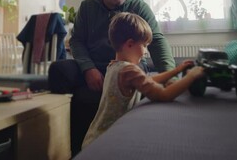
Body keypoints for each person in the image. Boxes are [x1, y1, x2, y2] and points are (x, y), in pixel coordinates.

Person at [47, 0, 177, 155]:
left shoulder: (139, 7)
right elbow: (77, 41)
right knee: (58, 70)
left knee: (134, 73)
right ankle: (66, 145)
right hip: (94, 66)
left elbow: (157, 40)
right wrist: (88, 68)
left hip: (127, 65)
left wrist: (170, 74)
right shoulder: (87, 7)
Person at [82, 12, 205, 148]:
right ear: (130, 44)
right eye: (144, 45)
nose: (146, 51)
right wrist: (191, 76)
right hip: (106, 142)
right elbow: (164, 95)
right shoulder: (129, 71)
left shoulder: (113, 66)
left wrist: (176, 70)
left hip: (94, 137)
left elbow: (148, 80)